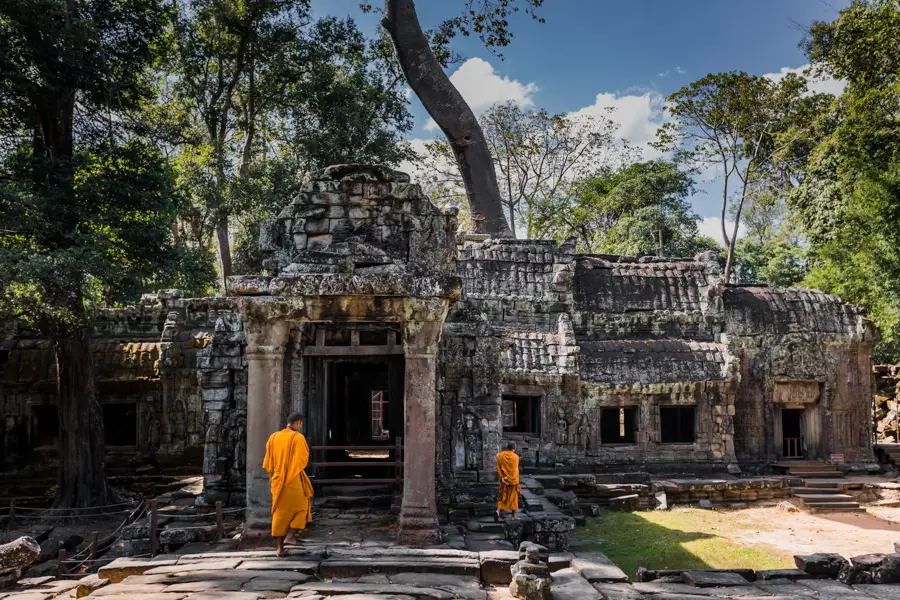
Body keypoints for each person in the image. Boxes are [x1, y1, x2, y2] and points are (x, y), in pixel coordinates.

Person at [263, 412, 314, 556]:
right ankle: (290, 537)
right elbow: (301, 461)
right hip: (293, 480)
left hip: (277, 481)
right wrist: (290, 474)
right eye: (300, 423)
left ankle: (279, 548)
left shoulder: (273, 438)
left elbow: (268, 463)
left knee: (279, 515)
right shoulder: (298, 438)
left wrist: (272, 480)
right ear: (297, 423)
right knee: (301, 509)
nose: (301, 425)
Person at [495, 441, 521, 521]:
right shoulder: (516, 457)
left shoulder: (500, 455)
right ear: (514, 448)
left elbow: (498, 467)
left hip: (503, 480)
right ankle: (513, 516)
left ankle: (498, 510)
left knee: (502, 496)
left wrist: (502, 477)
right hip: (513, 481)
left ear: (507, 447)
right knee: (514, 498)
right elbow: (515, 470)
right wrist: (511, 479)